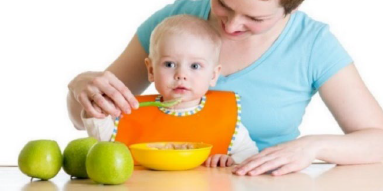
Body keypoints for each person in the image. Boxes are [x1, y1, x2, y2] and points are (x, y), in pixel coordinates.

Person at [67, 0, 383, 176]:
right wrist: (81, 87)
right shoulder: (173, 22)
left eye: (255, 18)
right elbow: (84, 119)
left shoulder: (312, 44)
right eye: (222, 3)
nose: (230, 25)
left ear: (291, 10)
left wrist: (313, 147)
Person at [80, 14, 258, 166]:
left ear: (213, 75)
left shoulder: (224, 116)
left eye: (195, 66)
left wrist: (232, 160)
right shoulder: (132, 109)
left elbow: (250, 153)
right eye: (169, 64)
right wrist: (95, 111)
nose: (181, 75)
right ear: (151, 70)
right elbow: (103, 142)